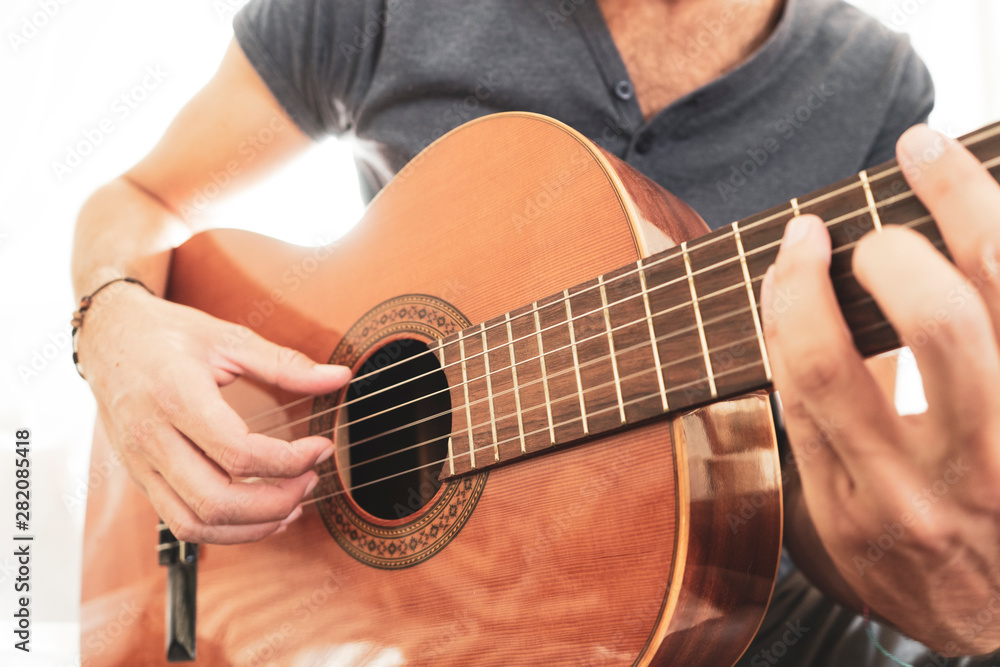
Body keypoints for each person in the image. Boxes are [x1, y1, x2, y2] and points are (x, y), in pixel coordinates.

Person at [71, 0, 1000, 663]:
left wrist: (945, 588)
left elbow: (826, 477)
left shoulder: (872, 82)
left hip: (705, 611)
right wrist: (113, 329)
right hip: (406, 613)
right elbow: (142, 200)